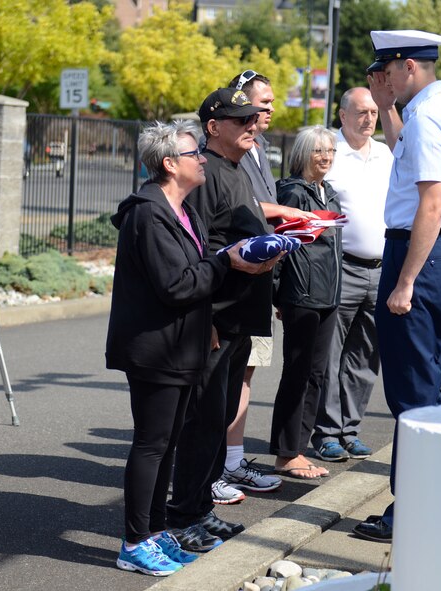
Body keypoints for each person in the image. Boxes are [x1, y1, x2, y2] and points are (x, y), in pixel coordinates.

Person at [105, 121, 273, 576]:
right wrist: (227, 261)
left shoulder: (182, 210)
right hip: (155, 349)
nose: (201, 157)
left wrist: (231, 261)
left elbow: (197, 272)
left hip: (183, 345)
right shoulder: (148, 213)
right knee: (151, 445)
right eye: (192, 152)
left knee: (168, 444)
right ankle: (134, 541)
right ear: (168, 164)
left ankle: (157, 531)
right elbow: (177, 285)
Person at [353, 30, 441, 543]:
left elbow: (430, 204)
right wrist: (386, 107)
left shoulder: (429, 116)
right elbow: (407, 157)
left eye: (386, 72)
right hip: (435, 255)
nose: (383, 82)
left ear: (407, 66)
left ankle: (413, 513)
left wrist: (404, 282)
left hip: (417, 255)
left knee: (413, 396)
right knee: (423, 386)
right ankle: (430, 503)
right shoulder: (435, 111)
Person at [167, 88, 279, 552]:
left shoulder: (236, 170)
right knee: (203, 420)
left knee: (219, 418)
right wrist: (206, 316)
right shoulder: (208, 175)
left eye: (253, 117)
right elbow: (198, 247)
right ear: (214, 127)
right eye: (241, 120)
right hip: (217, 317)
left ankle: (202, 508)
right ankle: (183, 515)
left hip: (240, 315)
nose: (252, 124)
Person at [213, 70, 303, 505]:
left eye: (265, 106)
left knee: (243, 374)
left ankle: (230, 460)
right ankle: (219, 467)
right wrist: (290, 212)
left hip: (257, 279)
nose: (263, 113)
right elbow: (246, 209)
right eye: (255, 106)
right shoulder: (223, 158)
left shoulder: (258, 147)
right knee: (226, 378)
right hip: (231, 285)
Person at [310, 88, 393, 463]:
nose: (369, 118)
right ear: (342, 115)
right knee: (330, 353)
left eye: (374, 111)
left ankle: (350, 428)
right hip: (341, 265)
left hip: (380, 268)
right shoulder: (330, 153)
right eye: (361, 111)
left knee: (364, 356)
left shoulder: (386, 153)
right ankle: (326, 432)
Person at [271, 125, 343, 479]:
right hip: (301, 294)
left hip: (328, 294)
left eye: (330, 150)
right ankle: (286, 452)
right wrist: (278, 294)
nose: (326, 157)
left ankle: (299, 447)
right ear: (303, 154)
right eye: (318, 151)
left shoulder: (329, 193)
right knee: (297, 373)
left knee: (317, 374)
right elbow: (281, 250)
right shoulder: (293, 194)